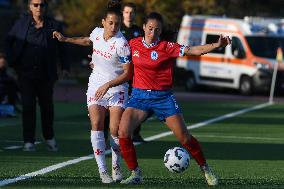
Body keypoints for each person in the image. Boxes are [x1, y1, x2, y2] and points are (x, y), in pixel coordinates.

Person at [118, 12, 231, 186]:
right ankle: (135, 173)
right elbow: (115, 54)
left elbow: (194, 50)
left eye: (157, 30)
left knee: (184, 138)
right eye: (150, 28)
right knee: (123, 132)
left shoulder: (166, 47)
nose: (153, 32)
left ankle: (205, 169)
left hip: (163, 97)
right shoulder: (132, 44)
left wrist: (216, 44)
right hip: (139, 97)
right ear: (143, 28)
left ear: (161, 31)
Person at [53, 1, 132, 184]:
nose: (114, 27)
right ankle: (103, 171)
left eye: (117, 24)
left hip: (117, 88)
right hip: (96, 84)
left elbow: (128, 73)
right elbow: (87, 40)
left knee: (114, 130)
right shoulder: (97, 33)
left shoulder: (122, 43)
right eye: (110, 23)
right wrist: (66, 39)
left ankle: (116, 165)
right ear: (103, 22)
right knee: (97, 123)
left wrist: (109, 84)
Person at [5, 0, 69, 151]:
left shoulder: (54, 25)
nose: (38, 7)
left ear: (46, 7)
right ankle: (29, 141)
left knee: (47, 107)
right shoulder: (21, 23)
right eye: (35, 4)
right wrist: (12, 61)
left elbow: (63, 48)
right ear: (30, 7)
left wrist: (65, 67)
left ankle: (49, 138)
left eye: (42, 4)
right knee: (28, 107)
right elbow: (8, 41)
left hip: (46, 75)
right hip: (25, 74)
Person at [103, 2, 144, 144]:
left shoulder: (139, 31)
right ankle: (107, 134)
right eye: (127, 12)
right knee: (112, 105)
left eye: (132, 12)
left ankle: (135, 133)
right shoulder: (116, 30)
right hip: (116, 73)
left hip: (134, 73)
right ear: (122, 14)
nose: (129, 15)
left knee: (134, 103)